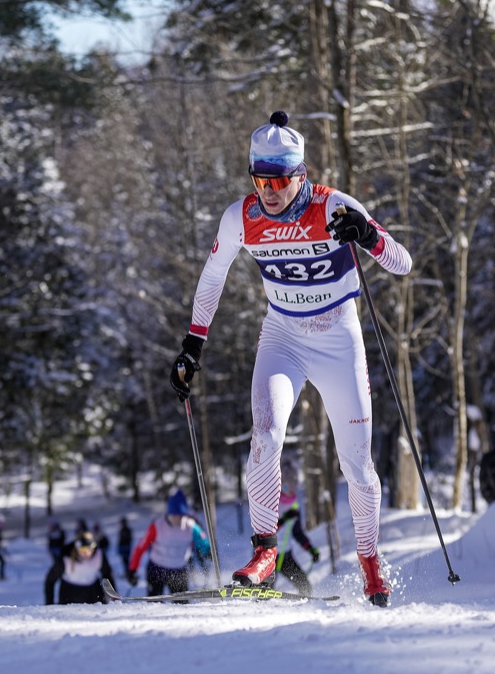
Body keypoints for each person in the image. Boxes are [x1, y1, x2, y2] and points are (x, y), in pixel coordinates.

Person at [169, 111, 412, 607]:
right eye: (261, 180)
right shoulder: (242, 217)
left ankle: (369, 559)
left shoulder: (333, 207)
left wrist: (367, 235)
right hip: (282, 337)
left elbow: (402, 263)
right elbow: (212, 277)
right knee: (264, 436)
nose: (270, 191)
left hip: (338, 341)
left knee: (357, 464)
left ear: (300, 175)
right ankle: (264, 553)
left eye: (279, 180)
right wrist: (193, 344)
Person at [127, 489, 211, 597]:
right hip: (157, 568)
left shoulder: (190, 526)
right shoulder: (157, 526)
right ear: (169, 513)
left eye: (181, 515)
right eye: (175, 515)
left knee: (181, 603)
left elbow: (202, 542)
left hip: (178, 569)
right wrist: (132, 570)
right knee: (155, 602)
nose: (178, 518)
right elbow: (140, 548)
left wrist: (209, 552)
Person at [275, 460, 320, 597]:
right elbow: (266, 531)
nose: (290, 491)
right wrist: (283, 519)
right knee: (265, 590)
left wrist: (310, 549)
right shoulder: (273, 502)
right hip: (268, 555)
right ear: (280, 486)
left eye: (293, 486)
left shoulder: (294, 506)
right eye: (286, 487)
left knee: (305, 586)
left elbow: (297, 533)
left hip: (285, 555)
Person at [44, 530, 114, 605]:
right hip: (70, 592)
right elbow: (50, 580)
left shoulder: (98, 555)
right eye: (83, 550)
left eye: (90, 549)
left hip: (92, 590)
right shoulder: (66, 558)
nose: (87, 553)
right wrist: (49, 602)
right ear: (77, 548)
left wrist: (112, 594)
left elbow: (107, 574)